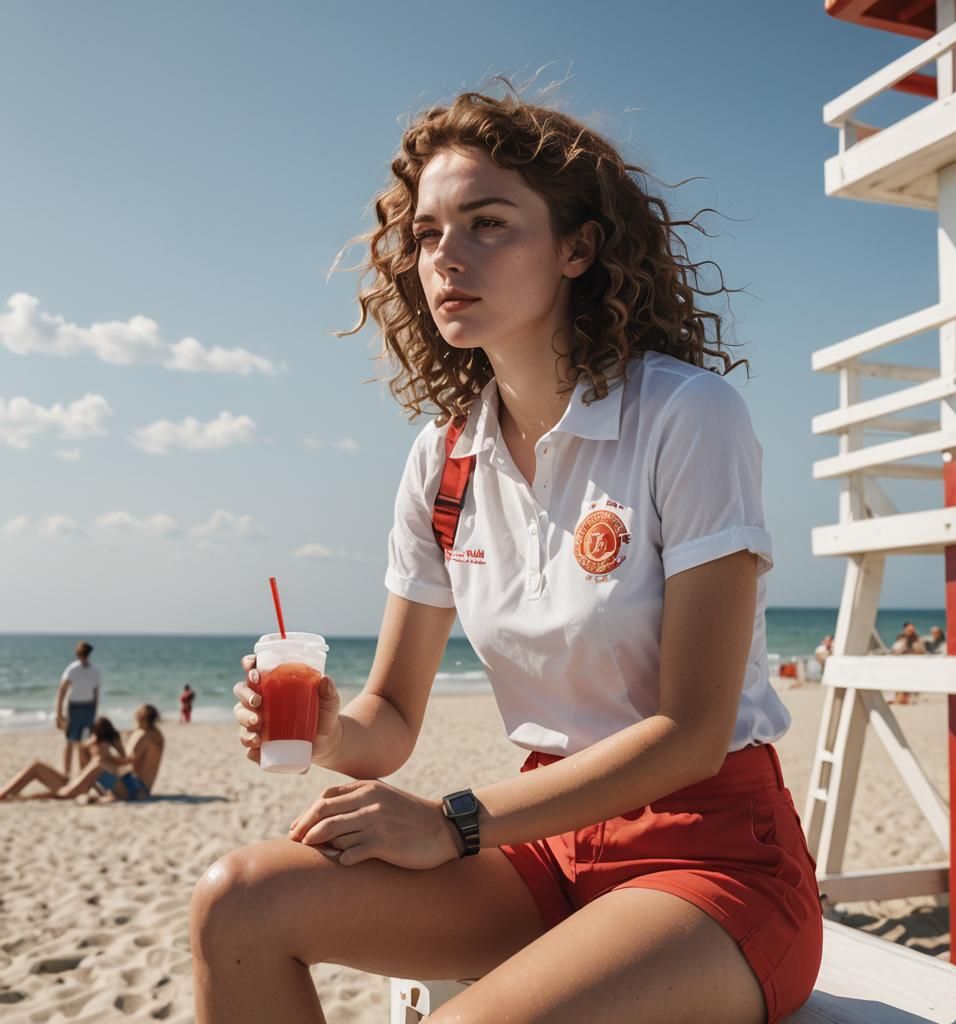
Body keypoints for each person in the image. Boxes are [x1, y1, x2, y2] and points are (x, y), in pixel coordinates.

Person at [191, 82, 822, 1024]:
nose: (448, 255)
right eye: (430, 231)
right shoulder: (443, 459)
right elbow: (392, 717)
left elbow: (691, 733)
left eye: (488, 223)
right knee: (235, 900)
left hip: (711, 853)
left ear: (579, 248)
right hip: (545, 845)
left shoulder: (686, 417)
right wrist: (328, 731)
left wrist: (451, 822)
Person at [0, 709, 163, 801]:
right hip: (83, 783)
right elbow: (85, 769)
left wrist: (107, 758)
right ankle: (3, 794)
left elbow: (127, 765)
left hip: (91, 786)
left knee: (64, 792)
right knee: (35, 766)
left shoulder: (114, 747)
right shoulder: (91, 747)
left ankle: (17, 798)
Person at [54, 640, 101, 775]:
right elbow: (62, 691)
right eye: (82, 654)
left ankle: (84, 772)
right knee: (70, 740)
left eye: (86, 654)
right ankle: (66, 773)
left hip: (88, 708)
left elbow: (96, 693)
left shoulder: (94, 670)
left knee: (86, 743)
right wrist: (59, 713)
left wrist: (95, 713)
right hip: (74, 708)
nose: (84, 657)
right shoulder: (72, 669)